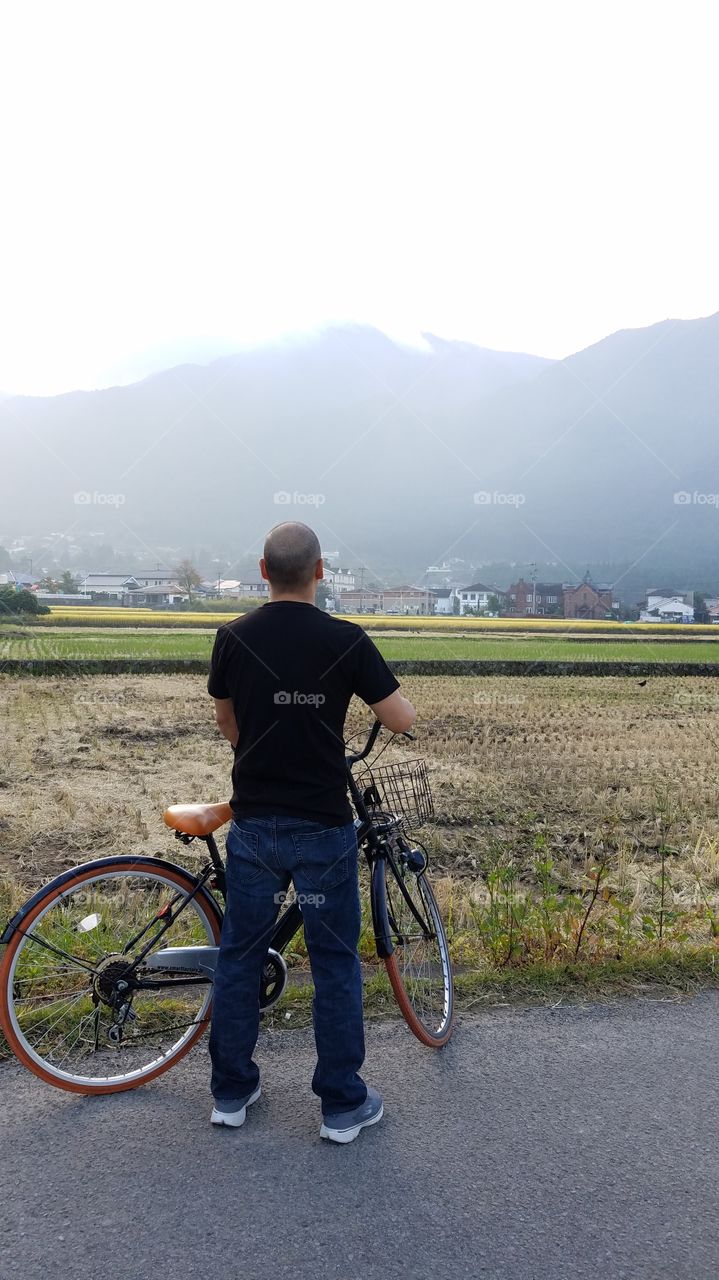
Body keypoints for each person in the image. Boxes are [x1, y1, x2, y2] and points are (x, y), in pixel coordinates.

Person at [207, 522, 416, 1144]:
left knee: (240, 954)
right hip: (324, 825)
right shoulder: (346, 640)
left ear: (262, 570)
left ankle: (230, 1092)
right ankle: (341, 1105)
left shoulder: (233, 637)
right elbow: (401, 718)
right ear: (320, 572)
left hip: (252, 823)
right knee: (333, 961)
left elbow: (227, 721)